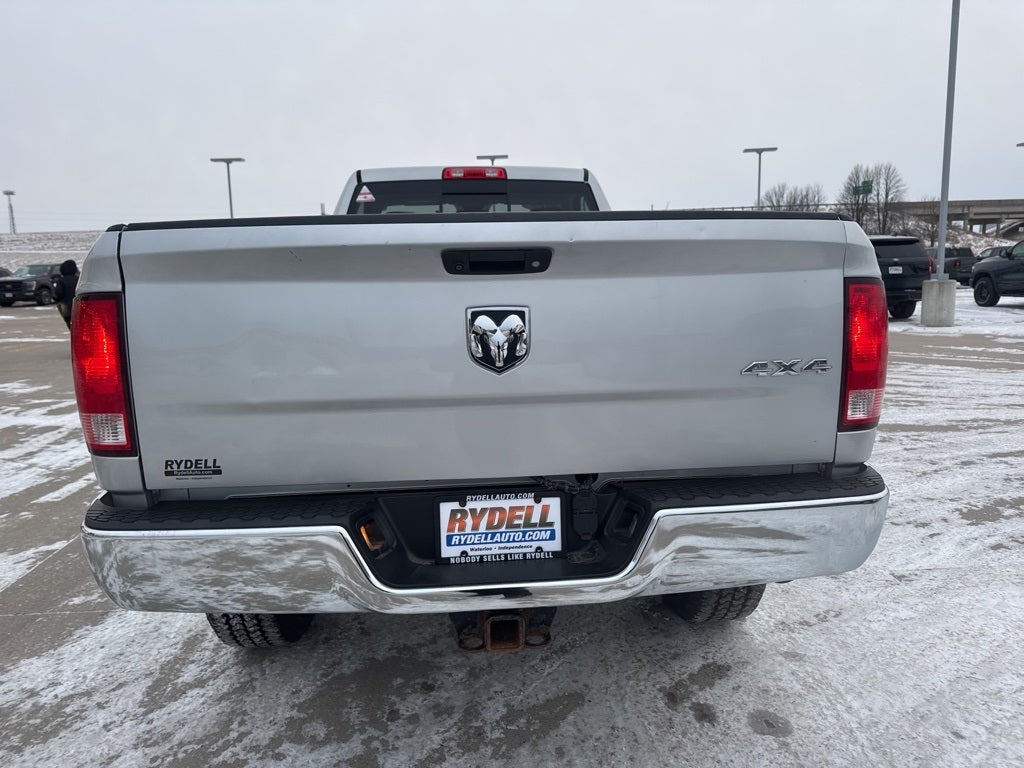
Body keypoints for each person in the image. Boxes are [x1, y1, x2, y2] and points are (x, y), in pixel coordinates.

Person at [53, 259, 79, 330]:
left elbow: (58, 293)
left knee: (71, 326)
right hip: (79, 307)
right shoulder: (79, 279)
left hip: (67, 309)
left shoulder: (61, 280)